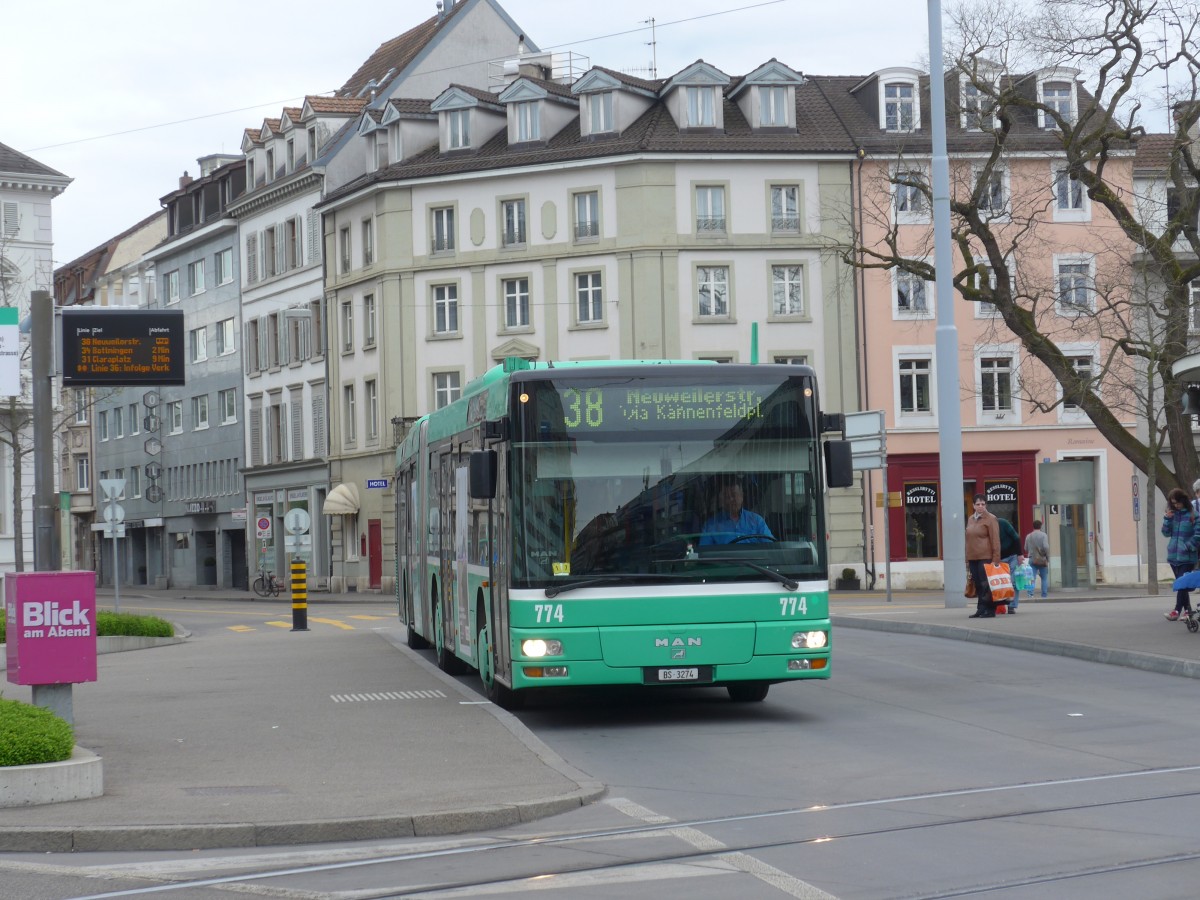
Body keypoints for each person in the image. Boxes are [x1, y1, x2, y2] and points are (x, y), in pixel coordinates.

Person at [1162, 487, 1200, 621]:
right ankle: (1188, 611)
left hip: (1187, 556)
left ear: (1183, 501)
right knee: (1181, 584)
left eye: (1177, 502)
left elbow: (1198, 534)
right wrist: (1167, 519)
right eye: (1173, 503)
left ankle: (1177, 610)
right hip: (1173, 555)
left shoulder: (1193, 514)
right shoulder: (1173, 515)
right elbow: (1166, 533)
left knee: (1181, 582)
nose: (1176, 505)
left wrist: (1188, 546)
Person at [700, 481, 774, 545]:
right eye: (727, 496)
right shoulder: (710, 525)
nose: (731, 499)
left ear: (742, 496)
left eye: (734, 495)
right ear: (721, 500)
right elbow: (704, 554)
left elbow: (770, 547)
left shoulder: (757, 521)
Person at [965, 493, 1000, 619]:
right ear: (974, 506)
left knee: (986, 584)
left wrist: (995, 559)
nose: (981, 507)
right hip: (973, 557)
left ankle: (990, 609)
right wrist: (967, 559)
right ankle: (980, 608)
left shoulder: (991, 519)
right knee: (978, 584)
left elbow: (995, 539)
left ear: (986, 505)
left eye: (983, 504)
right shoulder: (970, 519)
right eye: (978, 504)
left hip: (986, 556)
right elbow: (968, 540)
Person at [998, 516, 1022, 612]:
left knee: (1014, 581)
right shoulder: (986, 527)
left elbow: (1016, 537)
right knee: (1002, 582)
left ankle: (1012, 606)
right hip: (999, 558)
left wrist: (1020, 554)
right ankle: (1003, 603)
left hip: (1012, 556)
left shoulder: (1003, 523)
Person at [1024, 519, 1050, 599]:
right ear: (1040, 526)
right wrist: (1047, 556)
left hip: (1032, 559)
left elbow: (1025, 548)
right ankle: (1044, 595)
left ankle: (1030, 594)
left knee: (1031, 577)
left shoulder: (1029, 536)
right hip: (1042, 559)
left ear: (1033, 526)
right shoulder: (1044, 535)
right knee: (1044, 578)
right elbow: (1046, 546)